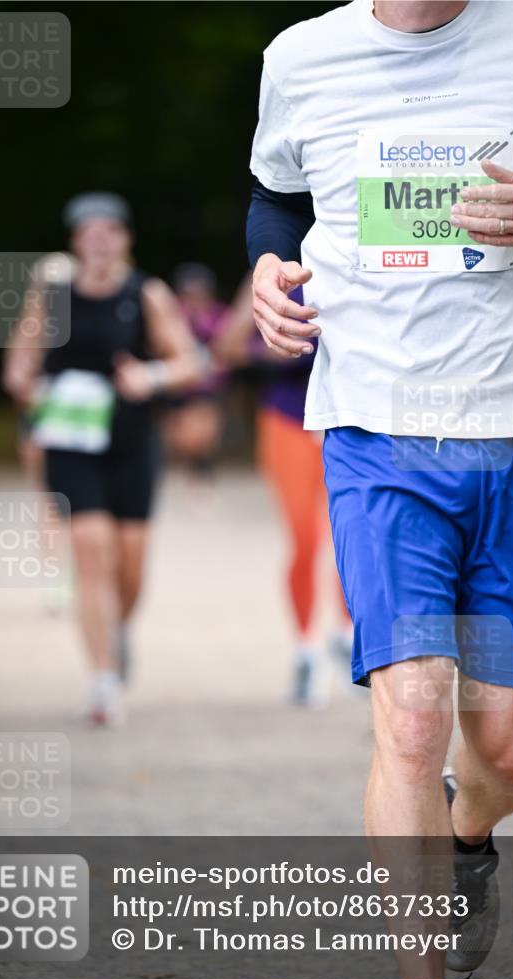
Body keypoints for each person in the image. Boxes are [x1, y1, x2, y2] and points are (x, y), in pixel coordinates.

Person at [247, 2, 513, 979]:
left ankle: (467, 829)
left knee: (509, 747)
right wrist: (266, 267)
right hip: (377, 431)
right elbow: (274, 197)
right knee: (408, 715)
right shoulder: (302, 56)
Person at [3, 193, 200, 726]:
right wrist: (28, 384)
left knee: (130, 563)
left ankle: (116, 632)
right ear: (74, 242)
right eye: (88, 232)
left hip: (132, 439)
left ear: (124, 239)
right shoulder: (52, 296)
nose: (98, 240)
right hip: (69, 438)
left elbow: (188, 360)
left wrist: (150, 376)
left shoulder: (146, 294)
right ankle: (103, 680)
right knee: (92, 552)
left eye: (109, 230)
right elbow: (19, 365)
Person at [217, 275, 352, 706]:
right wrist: (270, 343)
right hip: (290, 418)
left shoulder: (359, 252)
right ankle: (306, 649)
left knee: (354, 535)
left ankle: (351, 637)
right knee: (305, 539)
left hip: (348, 416)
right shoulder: (279, 271)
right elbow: (227, 346)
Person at [164, 262, 229, 484]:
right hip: (181, 383)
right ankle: (194, 466)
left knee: (206, 430)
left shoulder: (218, 313)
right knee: (184, 434)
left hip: (209, 384)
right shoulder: (173, 313)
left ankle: (203, 468)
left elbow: (227, 346)